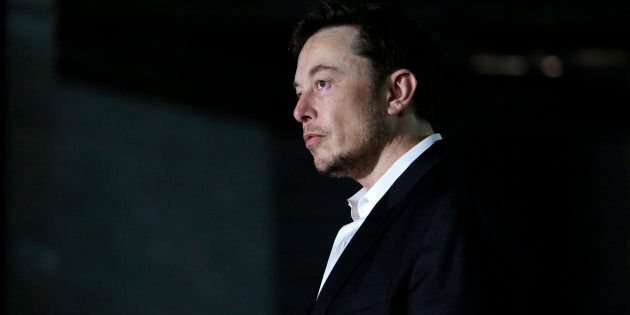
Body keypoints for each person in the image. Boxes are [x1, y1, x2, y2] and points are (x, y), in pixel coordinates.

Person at [290, 1, 521, 314]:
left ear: (396, 92)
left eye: (322, 84)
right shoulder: (381, 216)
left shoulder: (449, 210)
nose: (300, 111)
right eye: (299, 91)